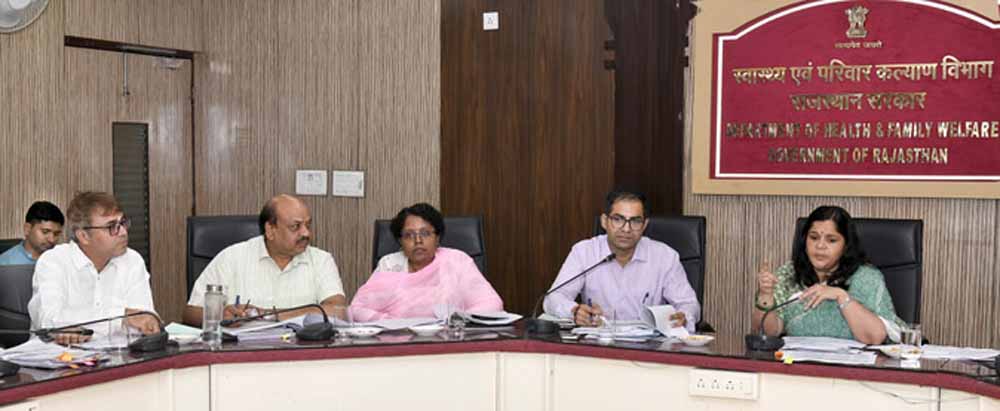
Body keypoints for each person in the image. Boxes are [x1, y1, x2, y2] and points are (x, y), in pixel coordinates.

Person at [543, 190, 700, 332]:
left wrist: (683, 316)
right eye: (618, 219)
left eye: (635, 221)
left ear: (644, 225)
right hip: (598, 340)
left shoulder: (664, 257)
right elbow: (553, 298)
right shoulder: (584, 252)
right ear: (604, 221)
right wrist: (574, 311)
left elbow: (689, 304)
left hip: (648, 345)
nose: (626, 229)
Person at [183, 194, 347, 326]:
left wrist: (268, 315)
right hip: (240, 354)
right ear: (270, 230)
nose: (306, 233)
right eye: (295, 226)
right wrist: (220, 315)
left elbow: (338, 311)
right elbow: (190, 313)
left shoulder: (321, 260)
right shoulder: (232, 258)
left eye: (308, 225)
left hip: (302, 352)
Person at [754, 205, 904, 344]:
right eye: (814, 238)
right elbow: (768, 333)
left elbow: (875, 337)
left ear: (846, 246)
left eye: (831, 240)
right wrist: (765, 295)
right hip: (799, 361)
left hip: (852, 362)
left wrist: (841, 296)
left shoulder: (866, 278)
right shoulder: (789, 274)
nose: (820, 246)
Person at [27, 192, 159, 345]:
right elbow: (50, 321)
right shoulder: (53, 261)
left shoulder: (132, 260)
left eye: (123, 223)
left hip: (119, 355)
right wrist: (121, 317)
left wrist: (80, 322)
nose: (123, 232)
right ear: (84, 236)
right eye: (112, 226)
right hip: (56, 356)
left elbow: (144, 321)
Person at [350, 203, 503, 321]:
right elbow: (357, 309)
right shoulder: (389, 264)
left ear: (437, 238)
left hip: (451, 339)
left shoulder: (457, 261)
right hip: (398, 339)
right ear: (400, 241)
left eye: (425, 233)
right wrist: (392, 323)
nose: (418, 240)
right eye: (409, 235)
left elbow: (491, 303)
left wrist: (458, 322)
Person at [0, 201, 64, 265]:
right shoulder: (5, 263)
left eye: (56, 234)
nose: (52, 240)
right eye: (45, 232)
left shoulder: (61, 261)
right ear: (27, 229)